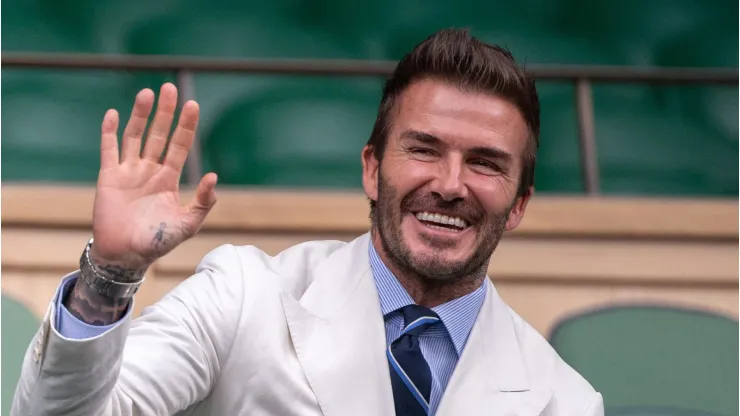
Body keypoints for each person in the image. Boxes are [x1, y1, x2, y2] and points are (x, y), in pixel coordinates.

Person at [12, 29, 603, 416]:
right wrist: (109, 276)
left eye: (484, 163)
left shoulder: (566, 401)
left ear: (519, 203)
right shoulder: (244, 294)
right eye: (423, 149)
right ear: (372, 170)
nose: (450, 185)